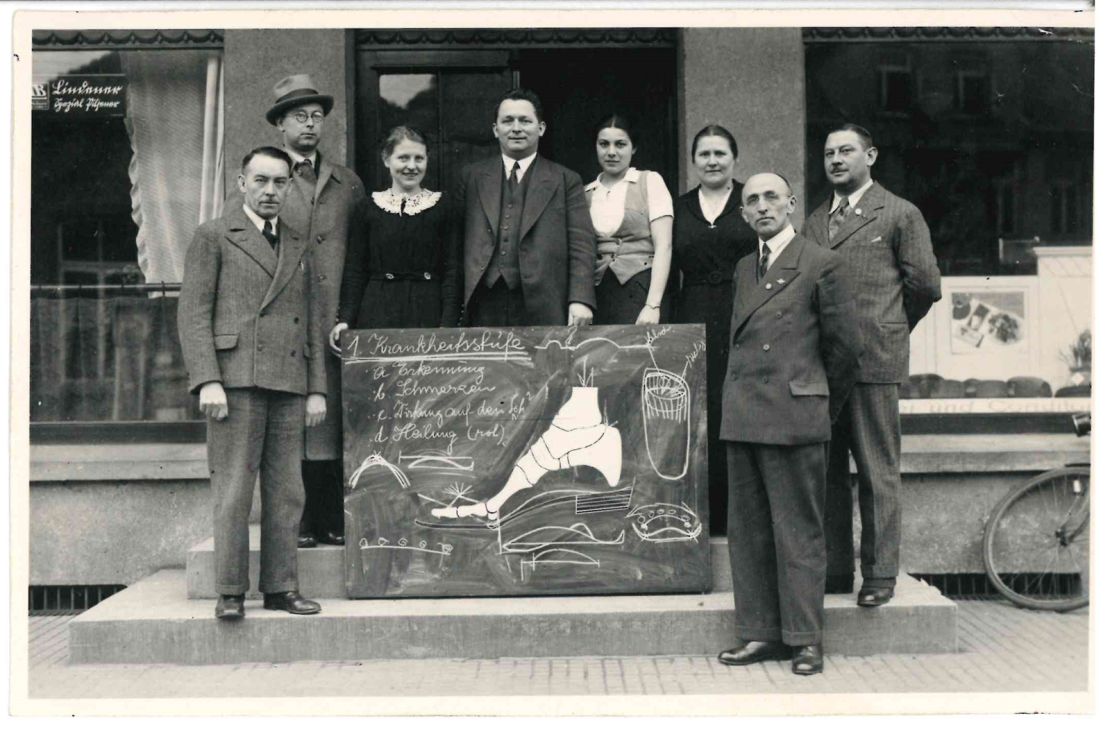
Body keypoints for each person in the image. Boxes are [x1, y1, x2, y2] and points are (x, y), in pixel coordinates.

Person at [718, 172, 860, 675]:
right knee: (749, 532)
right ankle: (760, 634)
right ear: (743, 214)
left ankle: (805, 640)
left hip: (794, 416)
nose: (761, 206)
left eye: (771, 197)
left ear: (791, 204)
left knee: (798, 531)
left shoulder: (821, 263)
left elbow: (844, 350)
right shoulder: (742, 267)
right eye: (751, 200)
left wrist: (815, 402)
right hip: (743, 415)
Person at [178, 146, 327, 620]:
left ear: (289, 187)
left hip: (287, 379)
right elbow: (194, 314)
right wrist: (207, 380)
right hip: (234, 380)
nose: (269, 191)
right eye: (260, 181)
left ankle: (281, 587)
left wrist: (317, 387)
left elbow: (312, 321)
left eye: (279, 183)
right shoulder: (214, 235)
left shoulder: (299, 241)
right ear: (241, 183)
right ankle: (230, 592)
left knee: (288, 492)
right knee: (234, 492)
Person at [803, 123, 942, 605]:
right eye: (828, 154)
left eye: (846, 151)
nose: (836, 160)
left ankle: (880, 575)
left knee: (876, 469)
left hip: (874, 362)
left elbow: (925, 285)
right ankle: (835, 572)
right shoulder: (816, 220)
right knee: (826, 474)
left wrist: (889, 325)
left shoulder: (900, 213)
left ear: (871, 156)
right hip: (823, 366)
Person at [265, 73, 366, 549]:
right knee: (294, 416)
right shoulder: (265, 176)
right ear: (280, 125)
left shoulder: (347, 181)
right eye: (299, 117)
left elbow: (365, 250)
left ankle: (333, 516)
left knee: (333, 416)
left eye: (316, 117)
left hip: (334, 317)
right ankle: (299, 520)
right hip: (286, 315)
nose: (309, 125)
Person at [671, 125, 758, 533]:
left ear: (734, 158)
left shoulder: (750, 201)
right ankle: (702, 515)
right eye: (704, 154)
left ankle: (737, 517)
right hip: (693, 315)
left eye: (720, 153)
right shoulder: (680, 206)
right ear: (694, 160)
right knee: (699, 412)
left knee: (735, 410)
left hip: (743, 314)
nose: (712, 161)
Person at [457, 88, 595, 328]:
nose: (516, 128)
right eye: (508, 121)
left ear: (540, 128)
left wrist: (580, 299)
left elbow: (581, 245)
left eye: (525, 121)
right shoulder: (472, 177)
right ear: (495, 129)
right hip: (484, 300)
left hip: (544, 301)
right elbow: (455, 244)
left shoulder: (565, 180)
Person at [331, 126, 460, 339]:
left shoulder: (444, 207)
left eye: (419, 158)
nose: (411, 166)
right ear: (386, 159)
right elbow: (355, 269)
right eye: (403, 158)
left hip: (428, 311)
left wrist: (447, 325)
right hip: (377, 311)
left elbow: (452, 271)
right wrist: (345, 319)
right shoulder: (367, 208)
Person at [584, 114, 673, 325]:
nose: (611, 152)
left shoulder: (649, 181)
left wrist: (652, 305)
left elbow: (664, 246)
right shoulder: (585, 193)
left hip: (640, 291)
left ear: (633, 148)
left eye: (620, 144)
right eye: (604, 144)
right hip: (597, 294)